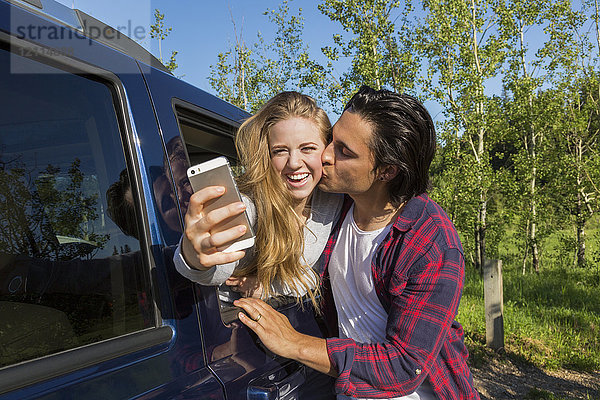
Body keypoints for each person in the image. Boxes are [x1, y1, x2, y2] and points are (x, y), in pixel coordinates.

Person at [232, 86, 480, 399]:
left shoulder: (430, 243)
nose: (325, 155)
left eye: (344, 152)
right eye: (332, 140)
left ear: (386, 171)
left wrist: (295, 343)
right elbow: (312, 270)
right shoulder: (338, 207)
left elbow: (404, 366)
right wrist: (265, 279)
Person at [173, 91, 343, 307]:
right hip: (230, 328)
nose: (293, 163)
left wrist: (271, 287)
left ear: (326, 151)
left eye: (307, 148)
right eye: (280, 151)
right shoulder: (247, 206)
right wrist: (193, 256)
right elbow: (213, 271)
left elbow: (323, 273)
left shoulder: (333, 199)